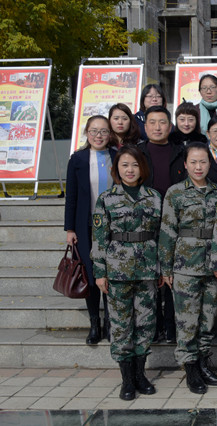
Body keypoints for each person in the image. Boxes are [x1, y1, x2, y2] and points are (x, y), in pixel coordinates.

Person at [91, 145, 163, 401]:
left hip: (147, 270)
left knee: (145, 323)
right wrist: (100, 271)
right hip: (117, 270)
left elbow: (161, 235)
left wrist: (162, 267)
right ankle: (127, 379)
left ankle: (141, 374)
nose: (130, 170)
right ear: (116, 169)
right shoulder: (106, 199)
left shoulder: (154, 197)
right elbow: (99, 237)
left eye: (134, 165)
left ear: (142, 168)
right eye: (124, 165)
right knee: (121, 325)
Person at [158, 142, 217, 394]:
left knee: (208, 319)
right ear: (185, 165)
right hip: (185, 265)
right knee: (187, 320)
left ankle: (203, 363)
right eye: (194, 162)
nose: (199, 167)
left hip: (213, 266)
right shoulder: (175, 193)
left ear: (210, 164)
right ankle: (190, 369)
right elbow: (167, 231)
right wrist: (166, 268)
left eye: (203, 162)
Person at [65, 115, 118, 345]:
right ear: (87, 133)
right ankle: (94, 323)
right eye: (94, 131)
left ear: (110, 134)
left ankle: (110, 323)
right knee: (90, 273)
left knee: (111, 273)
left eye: (104, 131)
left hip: (114, 225)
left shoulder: (117, 156)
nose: (99, 135)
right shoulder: (78, 159)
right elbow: (72, 196)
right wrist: (70, 229)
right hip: (86, 226)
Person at [138, 105, 186, 343]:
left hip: (175, 224)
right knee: (149, 275)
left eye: (162, 122)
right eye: (152, 122)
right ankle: (153, 326)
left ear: (170, 125)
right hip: (144, 224)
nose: (157, 127)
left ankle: (171, 327)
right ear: (145, 126)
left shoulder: (181, 151)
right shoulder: (136, 153)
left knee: (172, 275)